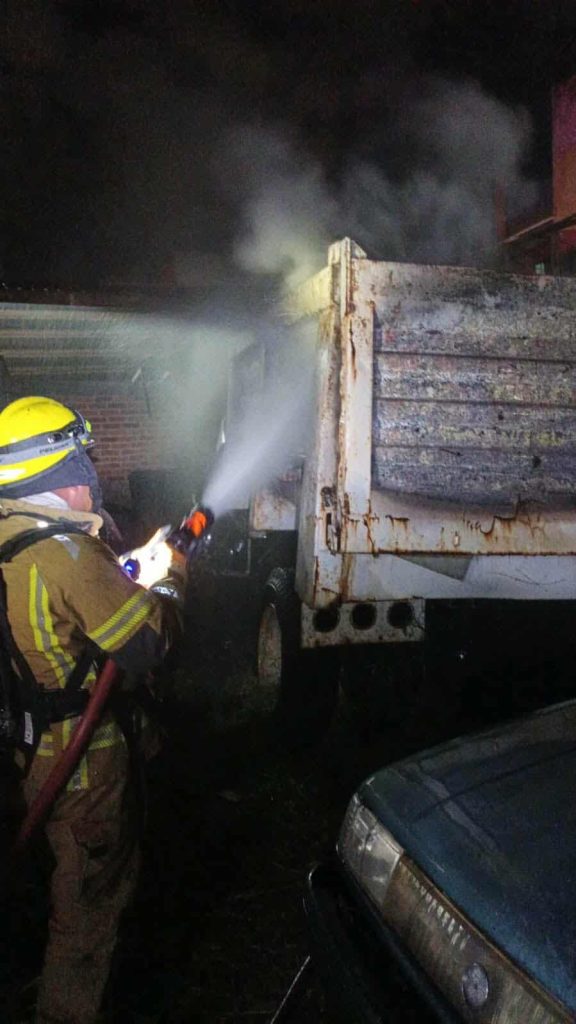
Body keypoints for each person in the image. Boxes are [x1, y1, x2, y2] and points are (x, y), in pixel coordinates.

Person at [0, 396, 184, 1024]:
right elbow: (148, 642)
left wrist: (123, 574)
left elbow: (64, 620)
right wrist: (171, 577)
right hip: (82, 772)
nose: (93, 471)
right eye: (85, 458)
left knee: (54, 883)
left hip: (29, 752)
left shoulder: (14, 541)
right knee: (87, 909)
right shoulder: (68, 555)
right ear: (63, 469)